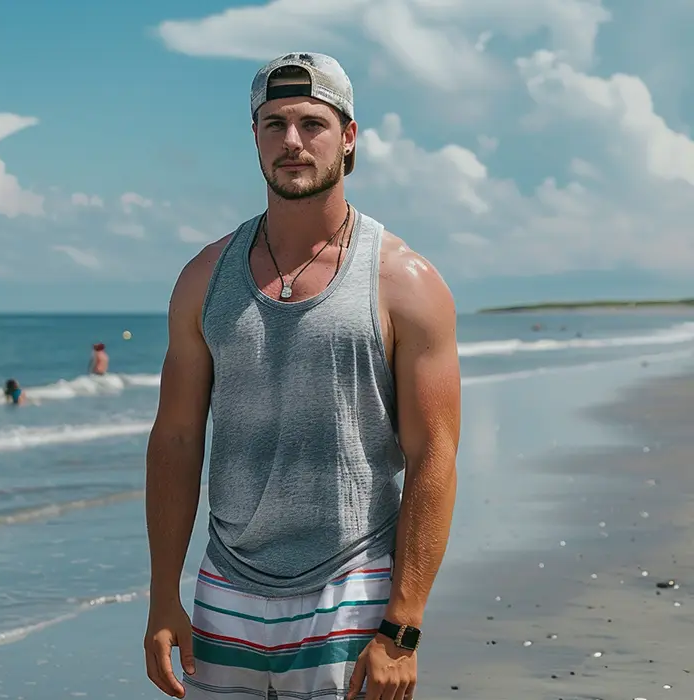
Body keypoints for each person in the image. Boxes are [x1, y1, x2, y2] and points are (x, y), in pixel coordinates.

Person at [143, 52, 460, 700]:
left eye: (312, 123)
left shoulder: (404, 281)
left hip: (352, 587)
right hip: (225, 586)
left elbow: (435, 456)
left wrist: (403, 623)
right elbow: (175, 439)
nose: (291, 141)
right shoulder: (203, 279)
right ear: (254, 136)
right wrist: (161, 596)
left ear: (348, 138)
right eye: (273, 123)